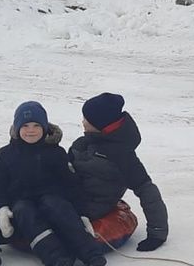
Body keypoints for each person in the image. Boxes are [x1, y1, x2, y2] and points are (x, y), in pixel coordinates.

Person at [0, 101, 107, 266]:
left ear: (45, 128)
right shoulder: (6, 154)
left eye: (36, 125)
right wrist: (1, 208)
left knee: (56, 206)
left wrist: (82, 213)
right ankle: (57, 258)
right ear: (17, 128)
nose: (30, 130)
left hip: (51, 199)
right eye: (25, 126)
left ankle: (92, 255)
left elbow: (71, 184)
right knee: (24, 211)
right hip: (21, 202)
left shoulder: (55, 153)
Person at [68, 92, 169, 251]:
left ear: (100, 124)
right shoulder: (84, 142)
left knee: (50, 210)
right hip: (72, 195)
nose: (82, 121)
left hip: (92, 206)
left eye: (87, 119)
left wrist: (157, 233)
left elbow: (147, 190)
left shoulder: (122, 156)